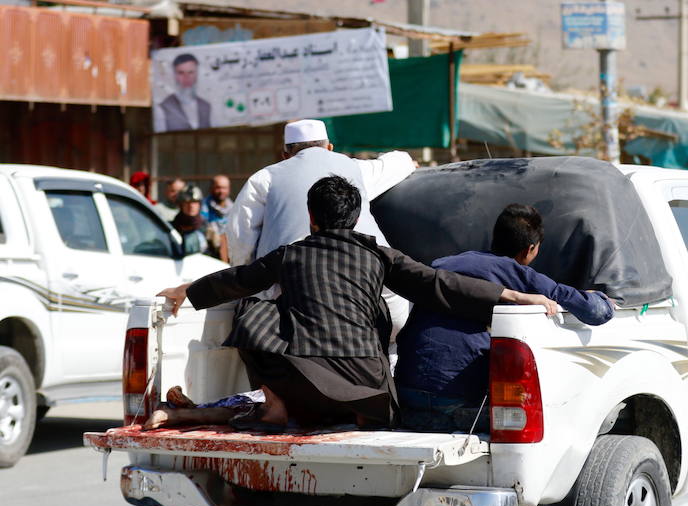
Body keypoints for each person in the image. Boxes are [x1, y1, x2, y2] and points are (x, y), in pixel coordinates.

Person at [154, 176, 557, 432]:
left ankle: (273, 406)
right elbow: (440, 284)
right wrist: (511, 294)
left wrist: (184, 291)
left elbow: (234, 282)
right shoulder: (378, 255)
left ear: (311, 217)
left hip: (304, 384)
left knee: (254, 309)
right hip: (370, 393)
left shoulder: (290, 254)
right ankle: (355, 416)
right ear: (356, 217)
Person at [395, 204, 616, 432]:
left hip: (407, 397)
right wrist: (603, 300)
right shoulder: (517, 274)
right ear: (530, 249)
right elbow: (594, 313)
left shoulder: (444, 264)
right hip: (458, 404)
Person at [226, 118, 417, 354]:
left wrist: (246, 277)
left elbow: (239, 237)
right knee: (396, 333)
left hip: (291, 285)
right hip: (370, 274)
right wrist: (410, 162)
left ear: (285, 153)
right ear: (329, 147)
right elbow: (400, 160)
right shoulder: (354, 169)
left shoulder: (264, 178)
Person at [154, 53, 211, 132]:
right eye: (181, 73)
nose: (186, 77)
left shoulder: (206, 107)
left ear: (197, 74)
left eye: (190, 72)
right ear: (174, 75)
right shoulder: (163, 108)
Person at [170, 184, 208, 255]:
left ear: (199, 204)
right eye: (187, 202)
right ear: (181, 205)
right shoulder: (171, 228)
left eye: (194, 202)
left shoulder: (208, 229)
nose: (191, 206)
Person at [202, 174, 233, 261]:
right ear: (211, 188)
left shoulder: (234, 208)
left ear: (229, 189)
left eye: (224, 188)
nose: (221, 191)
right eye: (218, 187)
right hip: (209, 254)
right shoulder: (203, 207)